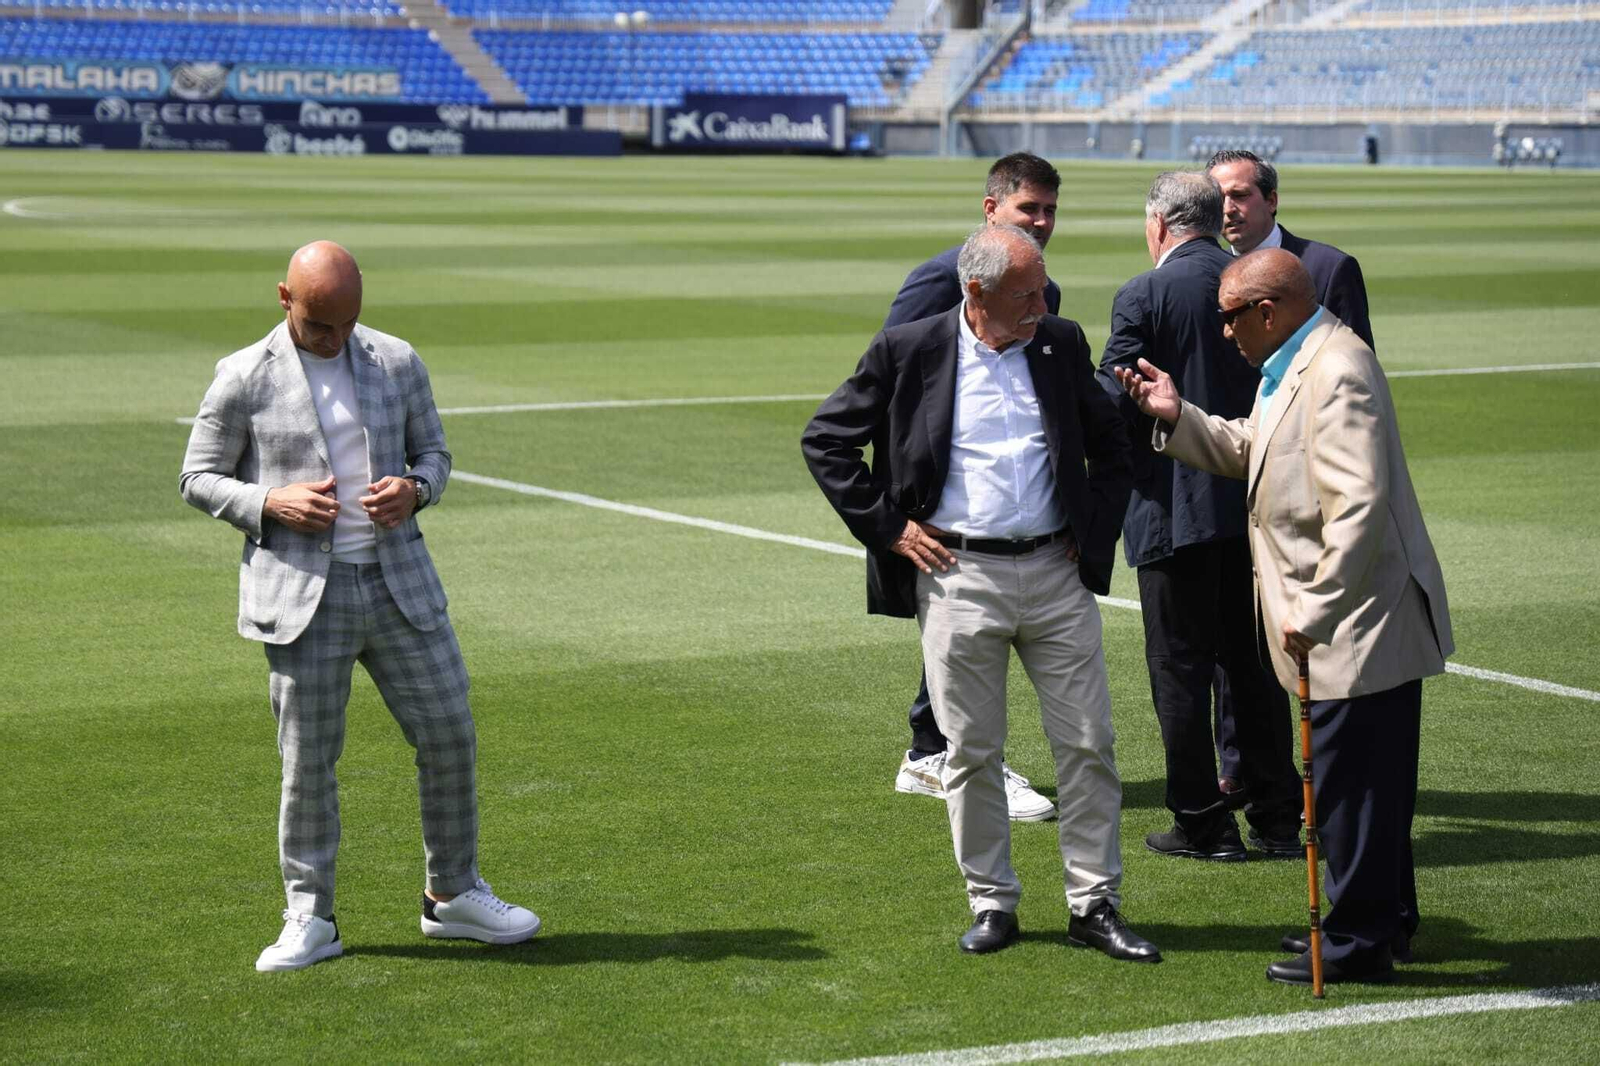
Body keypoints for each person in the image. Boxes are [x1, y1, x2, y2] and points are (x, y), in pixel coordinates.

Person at [180, 241, 540, 972]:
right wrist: (268, 501)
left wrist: (416, 489)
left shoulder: (398, 361)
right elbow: (197, 476)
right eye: (319, 325)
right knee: (307, 764)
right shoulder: (243, 375)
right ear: (285, 298)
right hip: (302, 596)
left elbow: (435, 455)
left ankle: (453, 895)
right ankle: (310, 917)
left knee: (450, 732)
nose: (335, 339)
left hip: (398, 583)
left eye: (347, 323)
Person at [803, 225, 1158, 962]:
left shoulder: (1060, 342)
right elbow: (827, 440)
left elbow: (1113, 446)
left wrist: (1090, 534)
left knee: (1089, 745)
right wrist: (892, 530)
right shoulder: (910, 350)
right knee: (970, 751)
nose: (1041, 303)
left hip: (1057, 578)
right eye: (1026, 294)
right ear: (976, 292)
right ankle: (992, 903)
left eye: (1042, 289)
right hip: (957, 578)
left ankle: (1095, 904)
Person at [1114, 248, 1453, 984]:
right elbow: (1258, 451)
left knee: (1352, 789)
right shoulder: (1293, 365)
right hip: (1348, 622)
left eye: (1230, 317)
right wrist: (1180, 417)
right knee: (1362, 786)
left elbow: (1358, 509)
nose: (1225, 333)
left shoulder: (1336, 371)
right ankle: (1379, 922)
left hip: (1358, 625)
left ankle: (1358, 942)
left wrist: (1318, 610)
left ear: (1268, 311)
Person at [1097, 172, 1302, 863]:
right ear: (1215, 220)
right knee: (1254, 671)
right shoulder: (1259, 283)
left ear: (1157, 224)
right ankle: (1277, 820)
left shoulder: (1145, 292)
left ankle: (1203, 824)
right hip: (1253, 509)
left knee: (1180, 673)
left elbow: (1113, 403)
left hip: (1171, 513)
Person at [885, 151, 1062, 823]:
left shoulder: (1044, 292)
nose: (1041, 222)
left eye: (1049, 210)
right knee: (966, 627)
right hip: (947, 500)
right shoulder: (938, 279)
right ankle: (937, 755)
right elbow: (888, 375)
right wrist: (904, 501)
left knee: (988, 626)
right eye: (1028, 209)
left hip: (1014, 496)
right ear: (992, 209)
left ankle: (936, 751)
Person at [1207, 149, 1374, 351]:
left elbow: (1357, 362)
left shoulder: (1329, 268)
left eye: (1240, 195)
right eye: (1218, 198)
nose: (1227, 209)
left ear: (1271, 201)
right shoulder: (1209, 274)